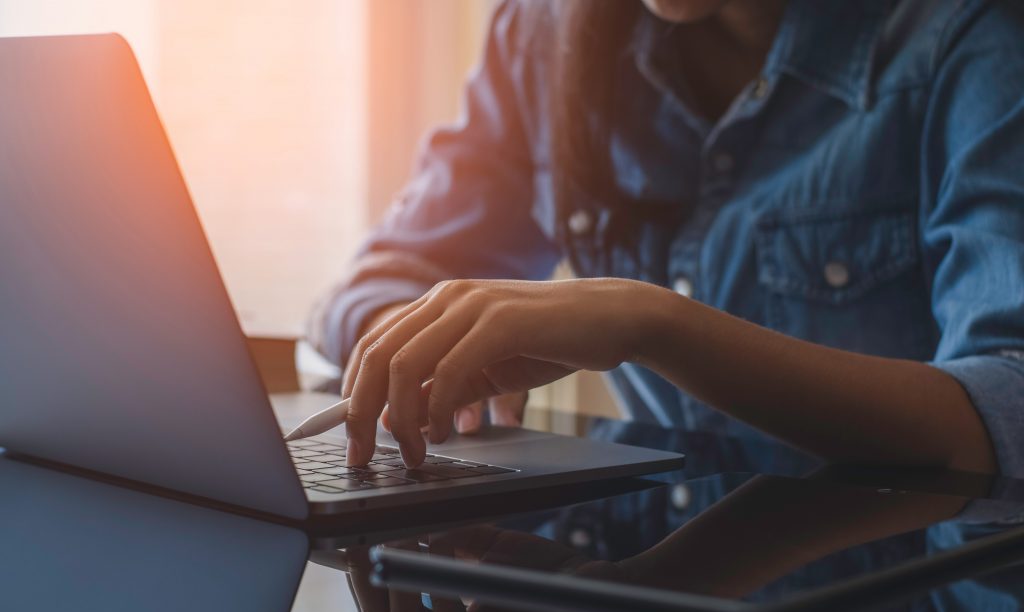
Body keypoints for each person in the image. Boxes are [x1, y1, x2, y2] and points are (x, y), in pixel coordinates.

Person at [307, 0, 1024, 477]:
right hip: (665, 600)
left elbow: (1008, 405)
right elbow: (383, 276)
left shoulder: (973, 35)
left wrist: (657, 326)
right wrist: (411, 356)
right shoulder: (545, 31)